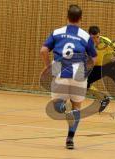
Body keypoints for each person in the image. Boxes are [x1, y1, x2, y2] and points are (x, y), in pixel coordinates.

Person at [40, 5, 97, 149]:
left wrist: (48, 66)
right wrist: (86, 68)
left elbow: (44, 50)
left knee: (57, 106)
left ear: (67, 17)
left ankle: (63, 108)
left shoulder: (57, 32)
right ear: (80, 19)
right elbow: (94, 59)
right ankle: (70, 138)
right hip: (79, 71)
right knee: (77, 106)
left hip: (60, 68)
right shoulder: (85, 36)